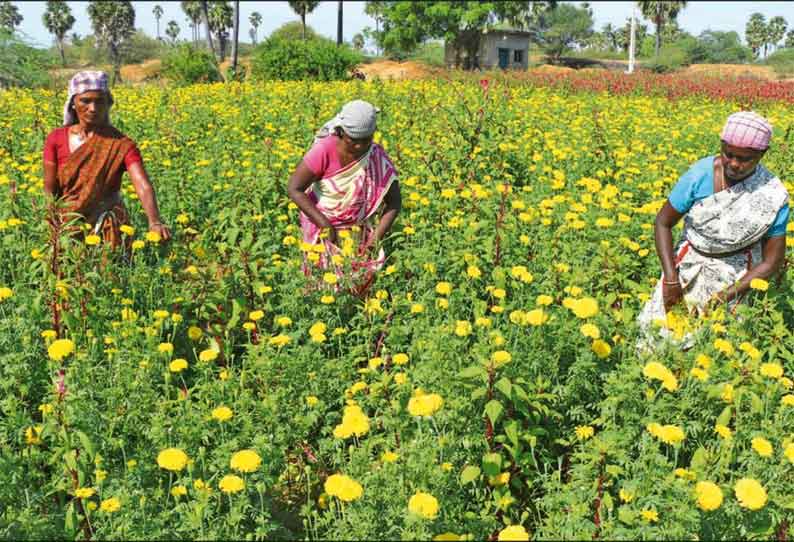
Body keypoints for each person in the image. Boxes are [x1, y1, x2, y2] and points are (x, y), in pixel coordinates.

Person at [638, 111, 789, 349]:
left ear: (762, 155)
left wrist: (726, 295)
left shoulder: (772, 194)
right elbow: (663, 222)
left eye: (745, 158)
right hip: (685, 270)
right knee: (658, 340)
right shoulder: (700, 174)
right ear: (721, 146)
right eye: (728, 154)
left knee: (715, 351)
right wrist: (670, 279)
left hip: (737, 278)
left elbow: (772, 261)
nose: (735, 164)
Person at [43, 71, 170, 248]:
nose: (93, 108)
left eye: (99, 101)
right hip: (67, 227)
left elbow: (142, 184)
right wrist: (52, 225)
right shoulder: (56, 139)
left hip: (106, 225)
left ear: (108, 103)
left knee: (110, 272)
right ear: (73, 103)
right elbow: (50, 189)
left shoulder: (121, 144)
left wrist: (155, 221)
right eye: (85, 100)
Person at [287, 100, 401, 294]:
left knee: (358, 287)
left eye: (366, 139)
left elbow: (394, 202)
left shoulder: (376, 155)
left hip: (358, 235)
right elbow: (294, 189)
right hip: (322, 230)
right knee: (320, 287)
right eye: (353, 140)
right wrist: (325, 225)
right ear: (340, 131)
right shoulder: (323, 150)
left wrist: (374, 240)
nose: (360, 146)